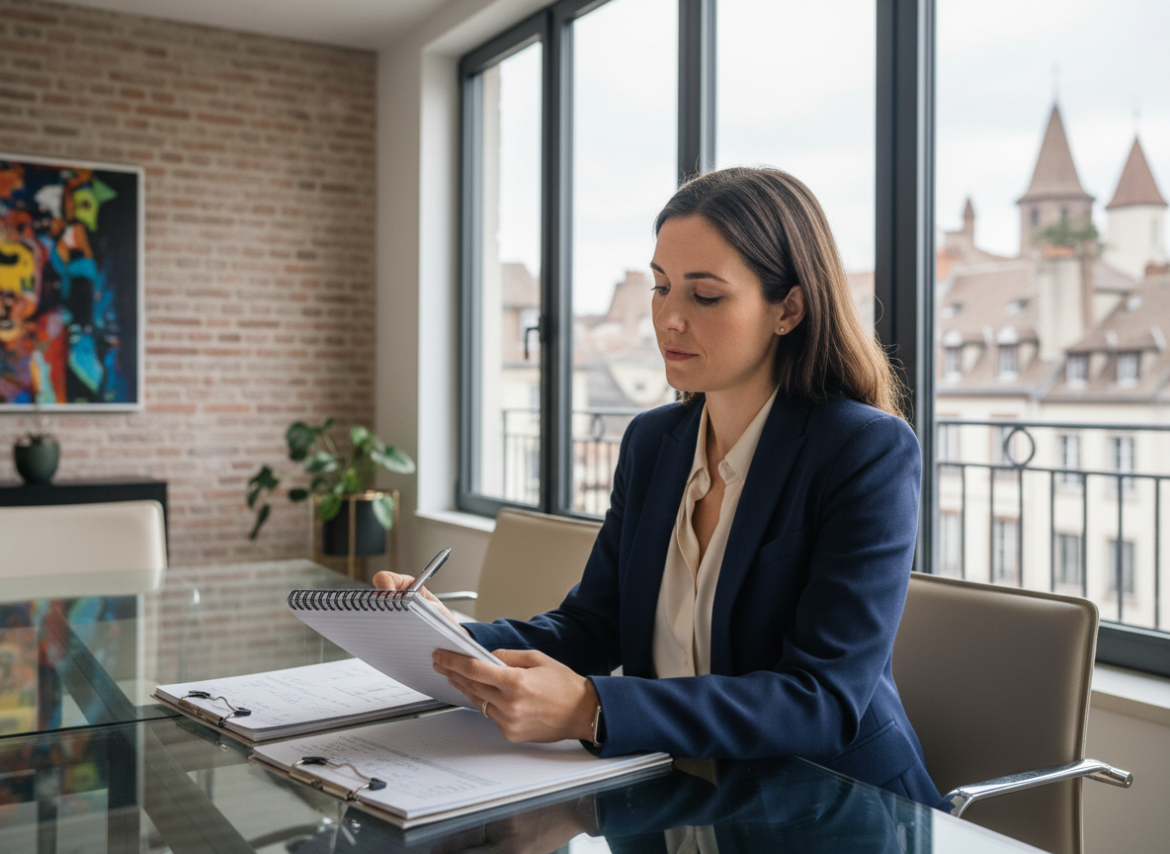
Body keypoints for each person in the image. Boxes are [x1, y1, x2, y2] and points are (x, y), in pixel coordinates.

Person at [375, 166, 940, 805]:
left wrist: (594, 708)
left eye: (704, 296)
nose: (668, 319)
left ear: (789, 308)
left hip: (833, 805)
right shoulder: (653, 443)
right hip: (677, 795)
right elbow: (593, 625)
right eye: (661, 287)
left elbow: (822, 701)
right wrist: (448, 637)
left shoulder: (863, 450)